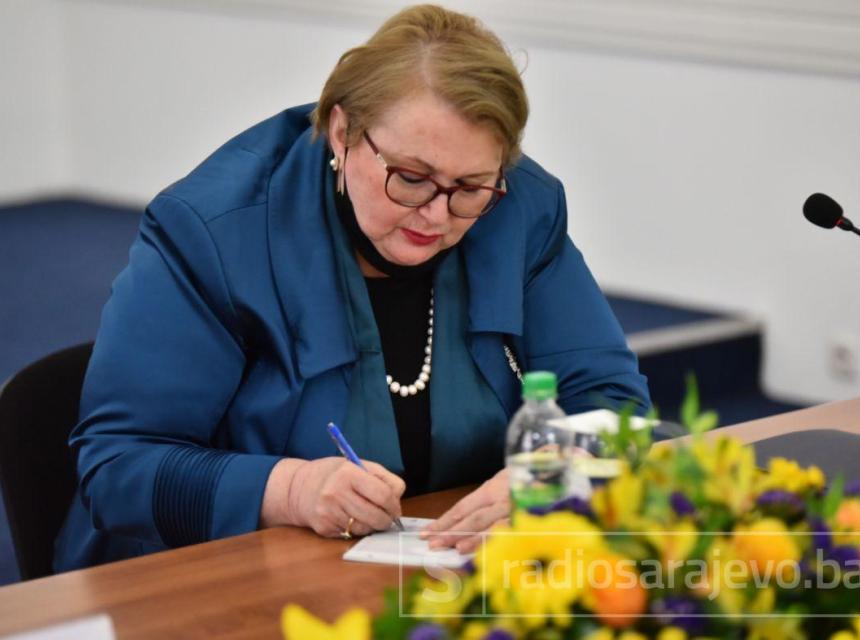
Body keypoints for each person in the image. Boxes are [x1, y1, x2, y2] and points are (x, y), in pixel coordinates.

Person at [54, 4, 649, 572]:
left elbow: (613, 403)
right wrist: (290, 488)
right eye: (410, 177)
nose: (436, 215)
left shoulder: (521, 210)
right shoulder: (214, 232)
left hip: (440, 571)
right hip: (217, 579)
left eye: (470, 187)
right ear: (342, 132)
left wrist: (554, 475)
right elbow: (119, 464)